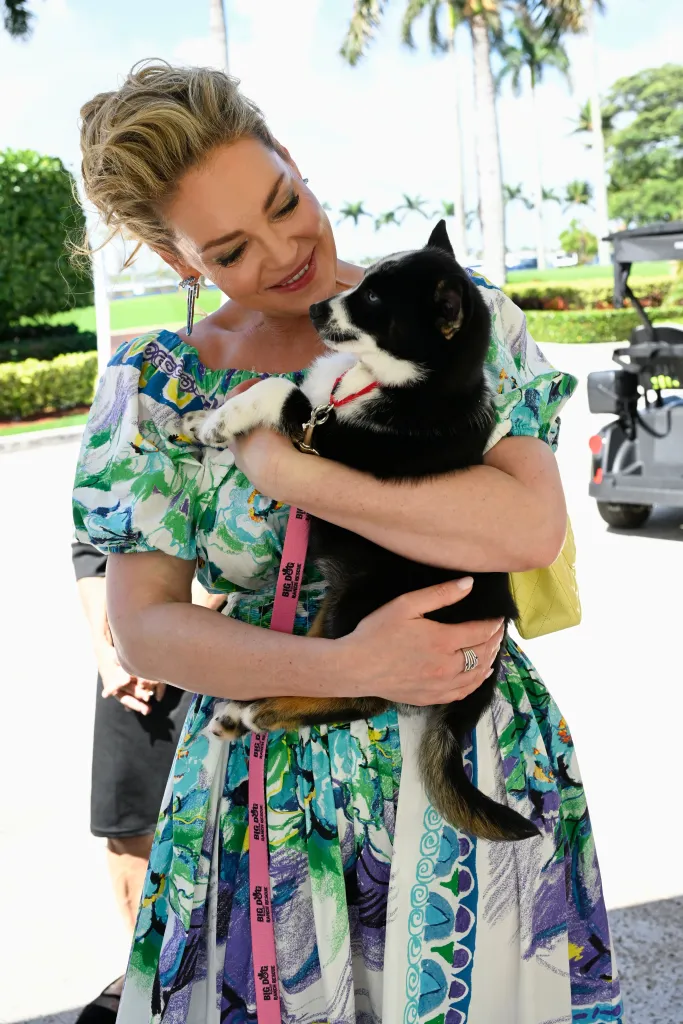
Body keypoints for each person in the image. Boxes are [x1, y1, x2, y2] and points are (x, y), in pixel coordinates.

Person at [72, 61, 623, 1024]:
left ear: (293, 158)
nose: (287, 251)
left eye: (287, 203)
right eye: (233, 248)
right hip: (262, 790)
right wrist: (344, 663)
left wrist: (295, 474)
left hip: (465, 752)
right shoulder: (154, 385)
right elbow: (146, 630)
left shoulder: (456, 311)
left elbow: (529, 525)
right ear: (181, 262)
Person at [72, 541, 224, 1022]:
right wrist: (110, 652)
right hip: (131, 635)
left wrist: (158, 631)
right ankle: (152, 981)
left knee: (224, 826)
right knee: (129, 829)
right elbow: (91, 544)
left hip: (223, 626)